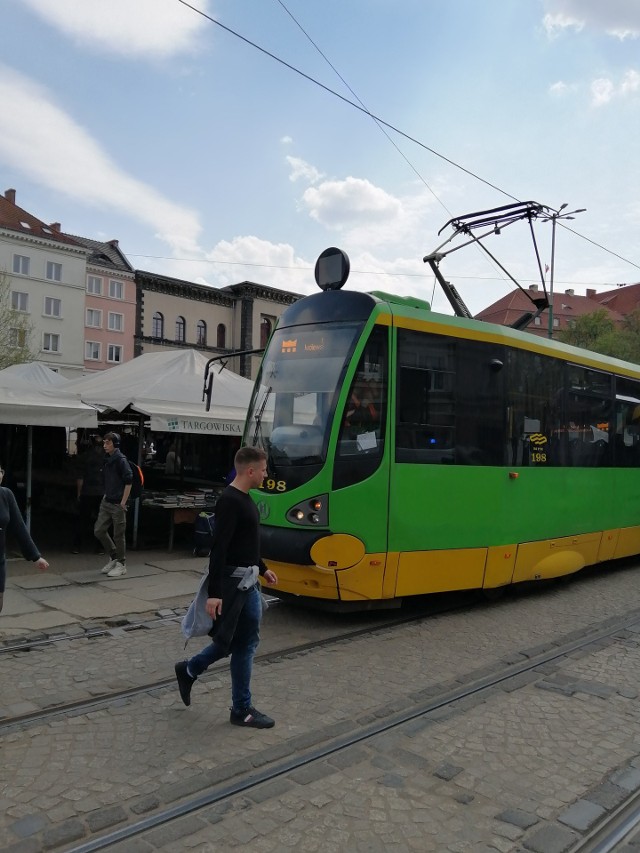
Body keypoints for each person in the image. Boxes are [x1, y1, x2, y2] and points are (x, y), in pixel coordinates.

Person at [174, 446, 278, 728]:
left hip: (249, 580)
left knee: (238, 642)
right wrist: (215, 594)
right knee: (239, 643)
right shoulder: (230, 501)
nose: (267, 474)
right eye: (264, 469)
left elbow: (245, 542)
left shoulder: (245, 499)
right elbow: (219, 549)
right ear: (251, 470)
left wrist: (264, 568)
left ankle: (190, 670)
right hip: (235, 583)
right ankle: (240, 708)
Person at [0, 464, 49, 613]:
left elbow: (19, 527)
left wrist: (35, 556)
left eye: (0, 471)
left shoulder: (6, 495)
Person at [94, 432, 133, 578]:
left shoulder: (121, 460)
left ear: (115, 444)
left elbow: (129, 481)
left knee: (118, 535)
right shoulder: (108, 459)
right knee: (99, 530)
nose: (104, 446)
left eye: (107, 443)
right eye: (104, 442)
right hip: (107, 500)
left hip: (118, 504)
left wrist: (123, 501)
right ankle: (114, 556)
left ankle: (121, 564)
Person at [72, 434, 105, 554]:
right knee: (101, 521)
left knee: (83, 520)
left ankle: (77, 546)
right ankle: (100, 547)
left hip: (87, 492)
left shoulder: (85, 457)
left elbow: (80, 478)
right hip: (102, 493)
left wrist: (79, 493)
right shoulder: (107, 457)